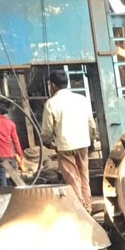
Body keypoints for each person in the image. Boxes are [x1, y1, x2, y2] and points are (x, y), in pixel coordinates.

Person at [39, 71, 98, 211]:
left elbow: (47, 130)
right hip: (83, 143)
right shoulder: (82, 99)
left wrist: (46, 142)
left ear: (52, 85)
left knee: (73, 179)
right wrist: (92, 140)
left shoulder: (51, 103)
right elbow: (91, 124)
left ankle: (80, 209)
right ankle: (88, 206)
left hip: (65, 146)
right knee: (84, 177)